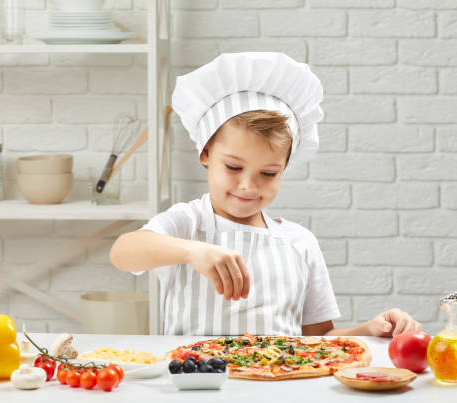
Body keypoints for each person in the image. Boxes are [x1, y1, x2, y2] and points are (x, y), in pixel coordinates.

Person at [110, 52, 421, 337]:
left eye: (268, 173)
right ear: (205, 153)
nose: (248, 185)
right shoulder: (188, 224)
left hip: (277, 389)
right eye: (233, 167)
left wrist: (369, 330)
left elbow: (317, 340)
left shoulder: (299, 243)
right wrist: (194, 251)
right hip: (195, 391)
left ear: (285, 167)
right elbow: (123, 253)